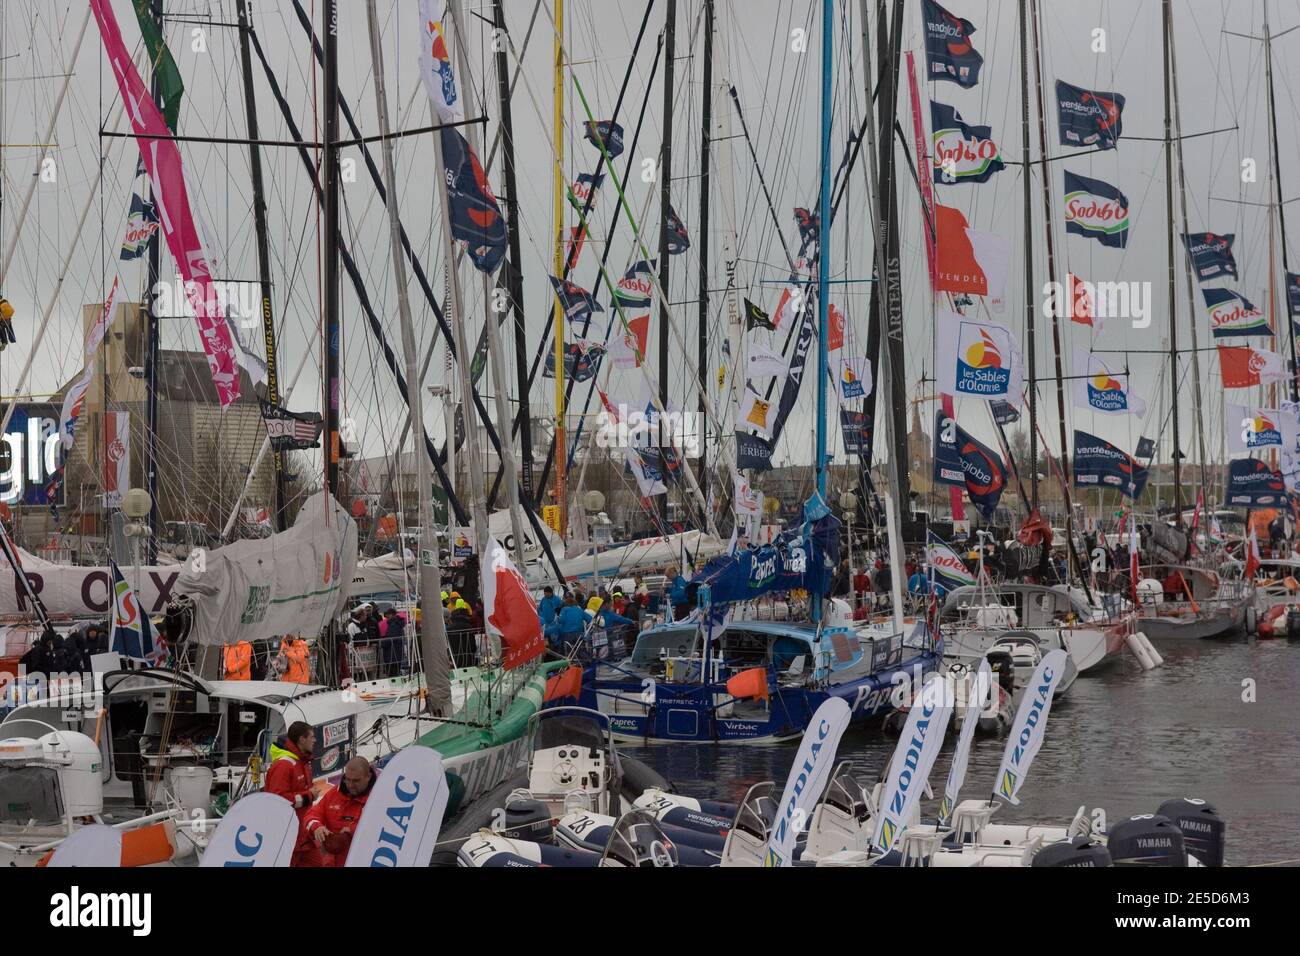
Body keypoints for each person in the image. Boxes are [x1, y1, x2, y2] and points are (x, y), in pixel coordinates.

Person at [264, 721, 322, 867]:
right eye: (312, 737)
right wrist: (308, 796)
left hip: (303, 837)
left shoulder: (302, 763)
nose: (315, 740)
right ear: (302, 739)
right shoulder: (284, 766)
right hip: (288, 838)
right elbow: (276, 800)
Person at [304, 757, 375, 866]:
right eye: (347, 779)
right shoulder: (334, 794)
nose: (350, 785)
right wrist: (317, 827)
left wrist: (352, 832)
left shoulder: (378, 798)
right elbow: (312, 814)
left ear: (368, 777)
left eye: (356, 780)